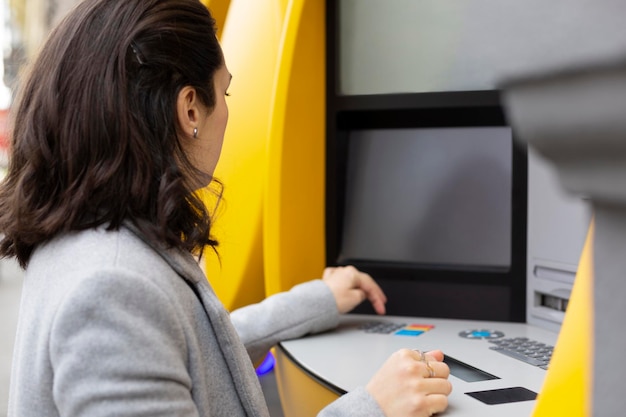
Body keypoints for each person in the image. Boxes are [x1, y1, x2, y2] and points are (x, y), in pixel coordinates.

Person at [0, 0, 452, 416]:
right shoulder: (112, 287)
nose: (228, 112)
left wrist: (313, 302)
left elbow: (188, 347)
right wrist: (374, 406)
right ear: (190, 110)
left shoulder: (89, 238)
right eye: (226, 92)